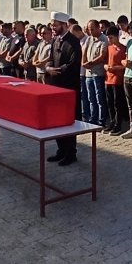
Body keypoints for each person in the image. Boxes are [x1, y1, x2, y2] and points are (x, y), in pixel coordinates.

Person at [45, 12, 83, 165]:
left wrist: (58, 70)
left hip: (68, 88)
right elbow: (50, 59)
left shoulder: (73, 42)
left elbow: (73, 65)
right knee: (56, 120)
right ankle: (61, 150)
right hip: (55, 87)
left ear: (64, 25)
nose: (52, 28)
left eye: (55, 25)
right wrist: (48, 68)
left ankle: (70, 152)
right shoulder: (55, 40)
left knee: (68, 121)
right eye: (51, 25)